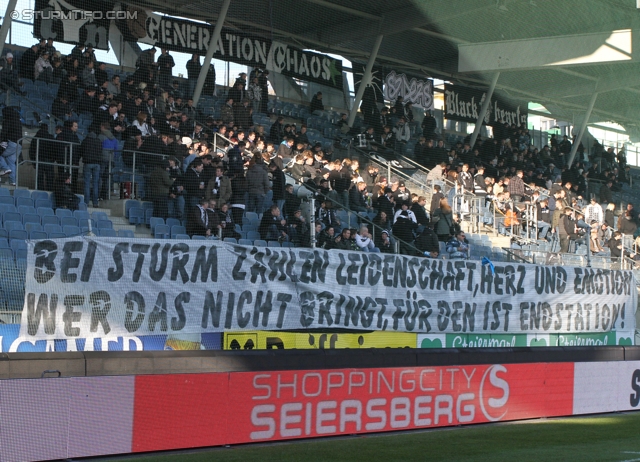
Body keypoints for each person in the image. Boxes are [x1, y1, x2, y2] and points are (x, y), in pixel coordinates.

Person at [79, 132, 102, 207]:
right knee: (95, 183)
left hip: (88, 163)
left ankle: (86, 202)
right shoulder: (98, 141)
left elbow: (81, 151)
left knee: (87, 183)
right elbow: (100, 151)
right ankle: (95, 202)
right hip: (97, 163)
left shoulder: (85, 141)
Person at [0, 106, 22, 186]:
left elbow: (4, 132)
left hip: (11, 143)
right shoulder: (18, 121)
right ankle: (13, 182)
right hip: (19, 144)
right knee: (11, 162)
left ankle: (5, 168)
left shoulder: (8, 120)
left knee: (1, 154)